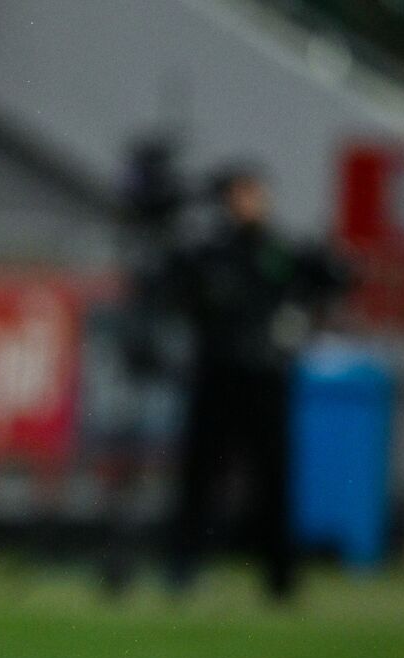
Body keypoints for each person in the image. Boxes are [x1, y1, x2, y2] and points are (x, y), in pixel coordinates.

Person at [168, 166, 344, 599]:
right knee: (202, 474)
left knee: (274, 476)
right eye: (243, 194)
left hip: (267, 376)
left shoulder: (280, 248)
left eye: (257, 193)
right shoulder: (210, 250)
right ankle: (185, 566)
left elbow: (330, 279)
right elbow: (179, 293)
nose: (252, 202)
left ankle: (279, 576)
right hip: (218, 373)